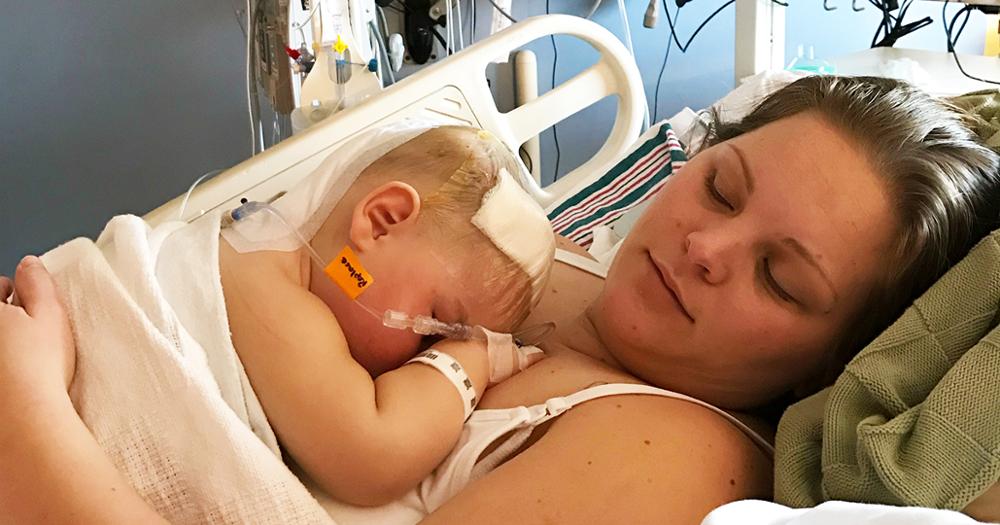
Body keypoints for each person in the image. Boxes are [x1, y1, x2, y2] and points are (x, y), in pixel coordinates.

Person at [2, 76, 998, 524]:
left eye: (781, 278)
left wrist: (32, 420)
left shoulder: (673, 460)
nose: (702, 246)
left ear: (829, 366)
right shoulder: (563, 274)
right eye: (722, 186)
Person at [217, 126, 552, 505]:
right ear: (380, 222)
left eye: (447, 345)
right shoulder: (265, 282)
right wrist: (476, 358)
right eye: (437, 326)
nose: (421, 360)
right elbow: (371, 458)